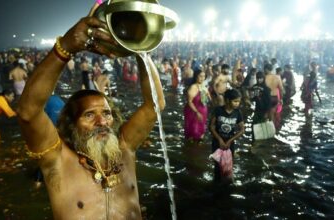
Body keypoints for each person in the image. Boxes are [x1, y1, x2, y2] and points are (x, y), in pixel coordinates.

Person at [16, 11, 165, 219]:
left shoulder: (125, 148)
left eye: (106, 113)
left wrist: (141, 50)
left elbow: (154, 106)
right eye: (89, 115)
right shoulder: (57, 160)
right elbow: (27, 112)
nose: (102, 121)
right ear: (72, 123)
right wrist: (65, 47)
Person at [209, 89, 244, 182]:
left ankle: (226, 184)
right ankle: (216, 183)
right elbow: (211, 126)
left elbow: (242, 129)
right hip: (217, 142)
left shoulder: (237, 113)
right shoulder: (218, 110)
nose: (237, 104)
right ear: (228, 100)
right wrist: (220, 140)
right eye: (235, 101)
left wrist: (230, 141)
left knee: (228, 164)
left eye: (238, 101)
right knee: (217, 165)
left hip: (229, 144)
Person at [184, 69, 212, 142]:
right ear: (196, 77)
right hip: (194, 112)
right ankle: (190, 148)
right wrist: (197, 112)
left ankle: (198, 146)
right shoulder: (193, 87)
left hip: (203, 112)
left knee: (201, 130)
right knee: (193, 130)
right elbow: (189, 102)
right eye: (200, 76)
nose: (202, 78)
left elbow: (208, 99)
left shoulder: (203, 86)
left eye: (203, 76)